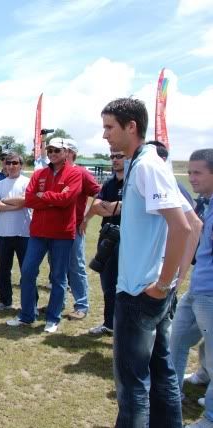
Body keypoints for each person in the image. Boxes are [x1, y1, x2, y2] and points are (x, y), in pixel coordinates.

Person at [101, 97, 192, 427]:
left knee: (132, 386)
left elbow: (183, 227)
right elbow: (192, 224)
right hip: (150, 290)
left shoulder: (147, 166)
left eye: (109, 127)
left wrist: (164, 284)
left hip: (140, 292)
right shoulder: (148, 163)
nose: (104, 135)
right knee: (161, 374)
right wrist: (170, 283)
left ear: (131, 127)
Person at [6, 138, 81, 333]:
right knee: (28, 273)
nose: (53, 153)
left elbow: (66, 199)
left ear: (65, 152)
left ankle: (53, 318)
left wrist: (44, 196)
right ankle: (27, 315)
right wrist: (51, 198)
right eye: (50, 150)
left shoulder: (74, 173)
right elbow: (30, 199)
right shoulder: (39, 173)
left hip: (62, 234)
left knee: (58, 277)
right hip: (38, 233)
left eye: (57, 150)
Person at [169, 149, 213, 428]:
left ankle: (210, 417)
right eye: (191, 171)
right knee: (176, 339)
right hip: (197, 289)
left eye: (197, 172)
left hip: (209, 294)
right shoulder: (205, 204)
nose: (191, 177)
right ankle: (169, 394)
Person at [82, 148, 125, 335]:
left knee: (126, 285)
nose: (114, 160)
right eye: (112, 157)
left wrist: (110, 206)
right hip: (107, 237)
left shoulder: (133, 181)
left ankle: (125, 325)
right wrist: (112, 207)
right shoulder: (109, 183)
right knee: (108, 282)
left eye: (119, 156)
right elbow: (97, 206)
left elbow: (124, 207)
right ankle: (109, 323)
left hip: (128, 239)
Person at [63, 140, 101, 320]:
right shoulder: (55, 172)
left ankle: (81, 305)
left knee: (75, 266)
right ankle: (58, 302)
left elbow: (100, 194)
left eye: (62, 150)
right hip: (54, 229)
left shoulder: (81, 173)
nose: (58, 154)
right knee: (57, 267)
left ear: (71, 153)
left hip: (73, 229)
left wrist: (86, 218)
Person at [0, 153, 31, 311]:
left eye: (15, 163)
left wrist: (4, 201)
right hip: (4, 233)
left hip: (24, 233)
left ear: (21, 165)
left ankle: (30, 302)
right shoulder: (0, 184)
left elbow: (25, 200)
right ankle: (5, 301)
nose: (11, 166)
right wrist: (13, 204)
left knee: (27, 270)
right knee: (3, 270)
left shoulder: (28, 182)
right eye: (8, 163)